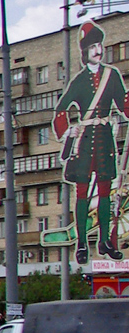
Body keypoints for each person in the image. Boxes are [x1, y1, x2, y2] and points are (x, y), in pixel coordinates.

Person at [54, 19, 128, 263]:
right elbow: (61, 109)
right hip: (85, 142)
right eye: (93, 46)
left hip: (106, 139)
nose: (98, 50)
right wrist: (68, 131)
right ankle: (83, 245)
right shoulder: (79, 80)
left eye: (100, 45)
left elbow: (124, 105)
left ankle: (105, 241)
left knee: (106, 192)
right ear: (85, 51)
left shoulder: (112, 75)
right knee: (82, 193)